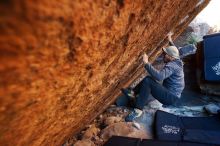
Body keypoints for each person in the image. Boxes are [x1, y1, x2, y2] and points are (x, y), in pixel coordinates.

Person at [124, 33, 185, 122]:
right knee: (147, 79)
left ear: (171, 57)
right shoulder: (177, 60)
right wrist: (170, 40)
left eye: (165, 54)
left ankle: (137, 111)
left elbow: (159, 77)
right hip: (173, 94)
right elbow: (175, 51)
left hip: (170, 97)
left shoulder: (172, 66)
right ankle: (133, 93)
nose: (163, 55)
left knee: (148, 81)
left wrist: (146, 63)